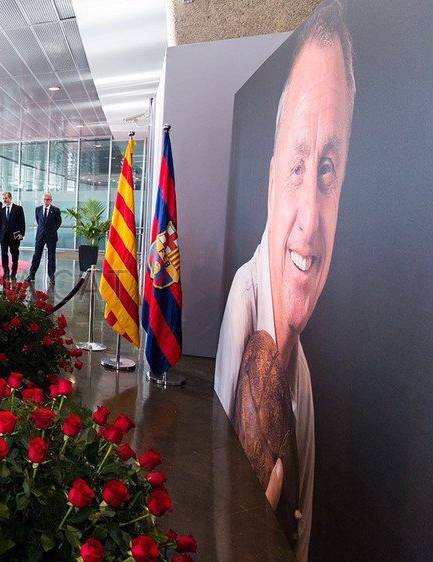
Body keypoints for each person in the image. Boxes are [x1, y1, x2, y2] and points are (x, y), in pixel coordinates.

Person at [215, 5, 355, 558]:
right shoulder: (243, 306)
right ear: (272, 183)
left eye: (327, 171)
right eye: (298, 168)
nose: (310, 220)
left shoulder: (305, 388)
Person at [26, 192, 62, 287]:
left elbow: (58, 222)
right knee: (36, 255)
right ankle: (32, 274)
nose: (45, 201)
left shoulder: (55, 210)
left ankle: (51, 276)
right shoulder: (38, 209)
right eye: (44, 199)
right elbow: (39, 221)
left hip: (51, 236)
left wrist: (51, 230)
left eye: (47, 200)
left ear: (51, 200)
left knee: (51, 257)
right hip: (40, 235)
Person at [0, 191, 26, 280]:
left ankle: (14, 271)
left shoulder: (18, 208)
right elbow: (0, 224)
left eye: (6, 198)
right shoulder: (2, 210)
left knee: (14, 254)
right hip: (4, 236)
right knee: (4, 254)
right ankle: (6, 271)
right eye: (3, 198)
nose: (5, 200)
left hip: (14, 236)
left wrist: (22, 234)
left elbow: (22, 222)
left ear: (10, 198)